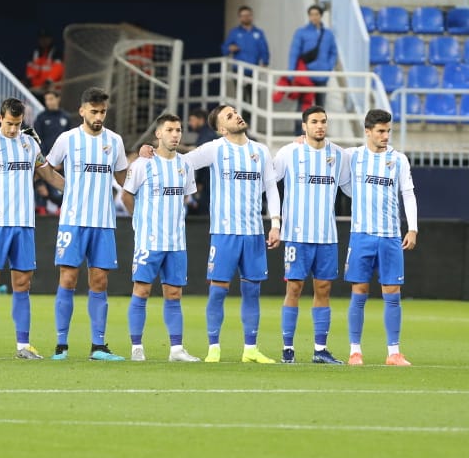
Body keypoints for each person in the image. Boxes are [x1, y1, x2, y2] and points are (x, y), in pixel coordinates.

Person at [0, 98, 63, 359]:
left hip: (25, 223)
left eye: (18, 124)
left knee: (22, 283)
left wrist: (75, 189)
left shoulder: (30, 142)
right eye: (9, 123)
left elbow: (47, 173)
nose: (13, 129)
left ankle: (23, 345)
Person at [179, 105, 282, 362]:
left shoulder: (260, 150)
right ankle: (214, 347)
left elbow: (271, 188)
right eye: (229, 115)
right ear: (222, 128)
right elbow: (183, 162)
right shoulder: (215, 149)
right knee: (218, 290)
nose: (236, 115)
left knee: (252, 291)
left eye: (235, 111)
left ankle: (250, 349)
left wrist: (276, 223)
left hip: (254, 233)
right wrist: (155, 152)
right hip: (225, 233)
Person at [45, 86, 130, 361]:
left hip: (104, 222)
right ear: (82, 110)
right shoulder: (67, 139)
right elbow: (47, 167)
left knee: (100, 281)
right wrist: (66, 187)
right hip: (72, 221)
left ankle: (99, 346)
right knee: (68, 278)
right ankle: (61, 345)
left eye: (103, 112)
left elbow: (123, 178)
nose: (98, 116)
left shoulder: (114, 141)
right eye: (94, 111)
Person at [339, 109, 418, 365]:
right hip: (361, 235)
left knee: (392, 292)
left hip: (390, 236)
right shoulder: (353, 156)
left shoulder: (399, 160)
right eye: (381, 131)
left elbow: (407, 193)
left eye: (388, 131)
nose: (385, 136)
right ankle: (355, 350)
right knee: (359, 291)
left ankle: (393, 352)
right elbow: (338, 176)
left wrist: (413, 228)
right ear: (368, 132)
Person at [121, 113, 200, 362]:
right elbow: (126, 197)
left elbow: (186, 197)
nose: (175, 134)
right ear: (158, 134)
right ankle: (136, 347)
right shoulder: (142, 164)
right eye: (170, 130)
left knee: (174, 294)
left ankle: (176, 349)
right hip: (149, 241)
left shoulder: (185, 165)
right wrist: (141, 221)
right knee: (142, 290)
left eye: (178, 130)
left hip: (176, 242)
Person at [273, 106, 346, 364]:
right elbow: (270, 181)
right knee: (294, 287)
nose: (320, 126)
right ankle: (288, 349)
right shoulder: (289, 152)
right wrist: (275, 221)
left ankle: (320, 349)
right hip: (296, 234)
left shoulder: (338, 155)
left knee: (323, 289)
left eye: (323, 121)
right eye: (314, 121)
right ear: (304, 126)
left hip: (326, 236)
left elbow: (350, 187)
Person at [287, 5, 338, 113]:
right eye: (311, 15)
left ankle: (319, 130)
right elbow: (294, 53)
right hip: (306, 74)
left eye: (316, 14)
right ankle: (299, 129)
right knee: (303, 106)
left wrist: (328, 67)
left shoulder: (328, 34)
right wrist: (291, 73)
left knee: (320, 107)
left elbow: (333, 52)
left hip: (322, 75)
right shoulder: (301, 32)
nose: (314, 17)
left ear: (321, 16)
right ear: (309, 16)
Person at [33, 88, 71, 154]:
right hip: (46, 156)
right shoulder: (41, 117)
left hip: (63, 155)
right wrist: (43, 154)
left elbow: (69, 136)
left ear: (58, 99)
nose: (48, 102)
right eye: (46, 99)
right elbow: (37, 137)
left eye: (51, 99)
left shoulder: (66, 116)